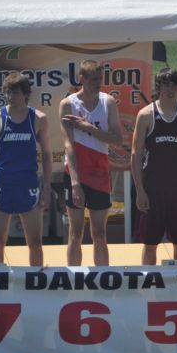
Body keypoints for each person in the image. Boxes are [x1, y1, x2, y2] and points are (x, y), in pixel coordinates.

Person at [0, 72, 52, 266]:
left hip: (27, 185)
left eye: (15, 92)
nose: (10, 97)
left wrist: (46, 187)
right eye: (7, 92)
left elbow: (47, 154)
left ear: (25, 94)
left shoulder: (38, 118)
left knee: (36, 243)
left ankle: (35, 285)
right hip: (2, 185)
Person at [131, 68, 177, 265]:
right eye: (165, 85)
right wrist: (140, 191)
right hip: (153, 189)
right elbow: (136, 155)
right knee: (150, 243)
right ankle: (148, 285)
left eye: (173, 85)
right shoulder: (145, 115)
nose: (169, 90)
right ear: (158, 87)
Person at [60, 60, 123, 266]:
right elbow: (68, 145)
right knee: (76, 233)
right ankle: (72, 280)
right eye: (94, 79)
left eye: (100, 79)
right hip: (76, 173)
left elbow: (116, 139)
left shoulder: (108, 102)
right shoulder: (68, 103)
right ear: (82, 79)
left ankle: (102, 280)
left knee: (99, 234)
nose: (98, 83)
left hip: (100, 174)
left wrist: (89, 128)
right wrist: (76, 183)